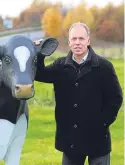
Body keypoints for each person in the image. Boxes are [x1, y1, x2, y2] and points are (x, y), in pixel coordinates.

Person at [34, 22, 123, 165]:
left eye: (81, 39)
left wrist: (102, 123)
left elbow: (115, 99)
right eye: (74, 39)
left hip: (98, 139)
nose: (77, 43)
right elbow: (39, 74)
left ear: (88, 41)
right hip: (71, 140)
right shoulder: (60, 66)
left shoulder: (104, 67)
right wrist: (39, 53)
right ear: (69, 42)